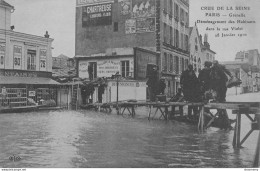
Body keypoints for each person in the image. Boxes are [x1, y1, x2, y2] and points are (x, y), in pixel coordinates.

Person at [209, 60, 233, 130]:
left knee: (220, 98)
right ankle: (223, 120)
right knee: (221, 98)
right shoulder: (217, 68)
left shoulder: (214, 68)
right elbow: (227, 71)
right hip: (220, 84)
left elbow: (211, 77)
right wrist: (230, 75)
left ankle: (222, 120)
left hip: (219, 84)